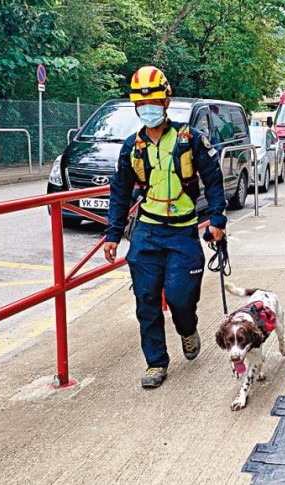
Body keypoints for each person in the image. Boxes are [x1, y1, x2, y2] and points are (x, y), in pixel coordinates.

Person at [103, 66, 227, 389]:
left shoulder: (190, 140)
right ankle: (156, 362)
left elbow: (214, 180)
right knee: (146, 298)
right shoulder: (132, 148)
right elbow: (119, 192)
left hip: (183, 231)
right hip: (147, 230)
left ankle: (187, 329)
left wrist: (217, 220)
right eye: (142, 103)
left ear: (166, 102)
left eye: (155, 101)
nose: (149, 108)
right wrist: (113, 234)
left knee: (180, 296)